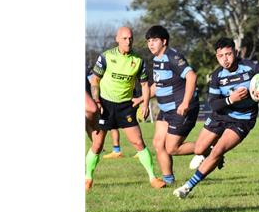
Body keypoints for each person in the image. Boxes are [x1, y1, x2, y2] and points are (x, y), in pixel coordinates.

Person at [173, 37, 259, 198]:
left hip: (243, 119)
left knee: (217, 151)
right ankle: (213, 155)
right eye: (221, 55)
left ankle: (187, 187)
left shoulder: (253, 67)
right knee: (199, 149)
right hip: (220, 115)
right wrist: (231, 99)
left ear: (235, 52)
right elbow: (213, 104)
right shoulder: (217, 76)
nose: (225, 59)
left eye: (228, 54)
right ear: (217, 57)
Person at [85, 26, 166, 192]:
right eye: (124, 38)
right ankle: (87, 179)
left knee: (138, 142)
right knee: (98, 144)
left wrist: (144, 104)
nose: (128, 41)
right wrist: (96, 100)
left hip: (125, 106)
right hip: (105, 105)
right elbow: (95, 80)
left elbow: (144, 84)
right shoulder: (106, 57)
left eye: (130, 38)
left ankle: (152, 177)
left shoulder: (138, 60)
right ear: (117, 39)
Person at [145, 25, 200, 185]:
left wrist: (185, 103)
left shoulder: (172, 57)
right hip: (165, 109)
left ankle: (209, 148)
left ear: (164, 41)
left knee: (172, 148)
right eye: (149, 41)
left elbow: (191, 76)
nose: (151, 44)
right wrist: (142, 99)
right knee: (158, 143)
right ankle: (168, 179)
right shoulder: (156, 60)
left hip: (180, 109)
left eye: (154, 40)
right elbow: (157, 85)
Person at [102, 80, 144, 159]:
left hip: (131, 97)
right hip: (119, 99)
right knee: (113, 126)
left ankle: (140, 150)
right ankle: (116, 151)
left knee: (131, 125)